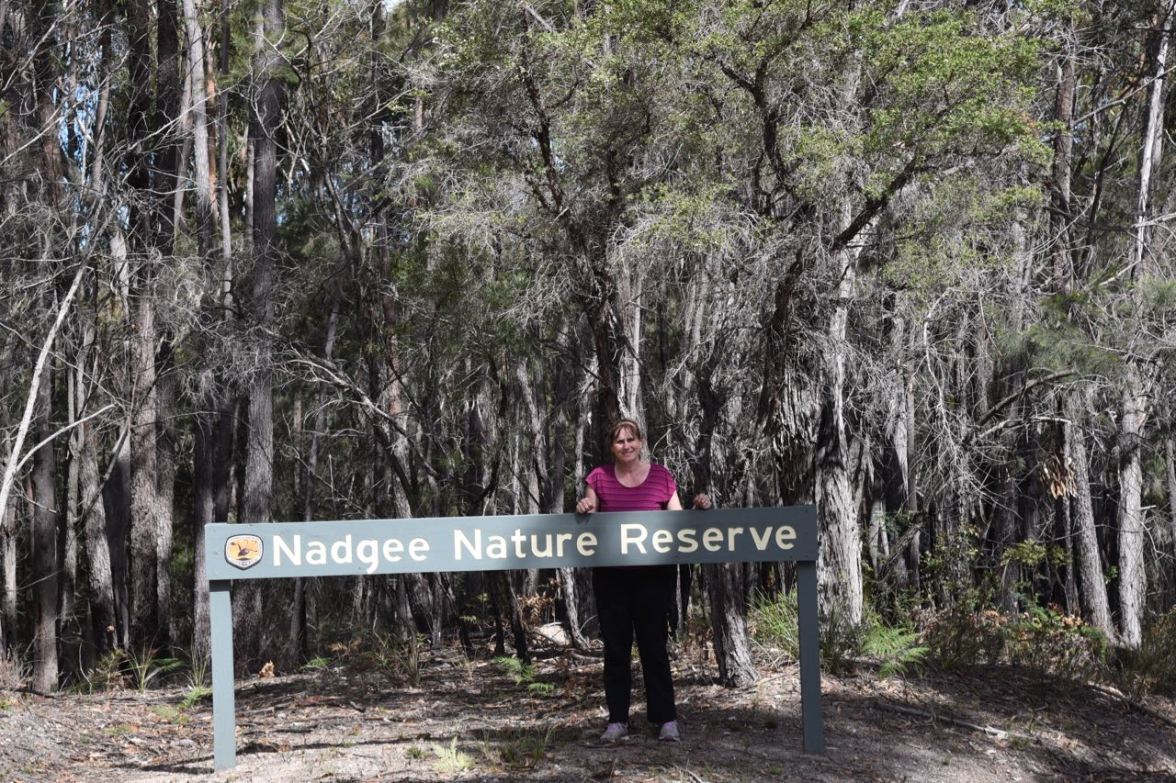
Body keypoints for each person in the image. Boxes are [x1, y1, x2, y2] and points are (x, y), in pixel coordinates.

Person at [575, 418, 711, 743]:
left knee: (654, 647)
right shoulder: (599, 477)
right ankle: (617, 720)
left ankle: (666, 720)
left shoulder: (661, 476)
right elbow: (590, 512)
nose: (626, 446)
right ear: (612, 447)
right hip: (612, 579)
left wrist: (698, 508)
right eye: (619, 441)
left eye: (631, 440)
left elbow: (678, 520)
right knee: (616, 650)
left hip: (653, 577)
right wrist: (584, 506)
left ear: (641, 442)